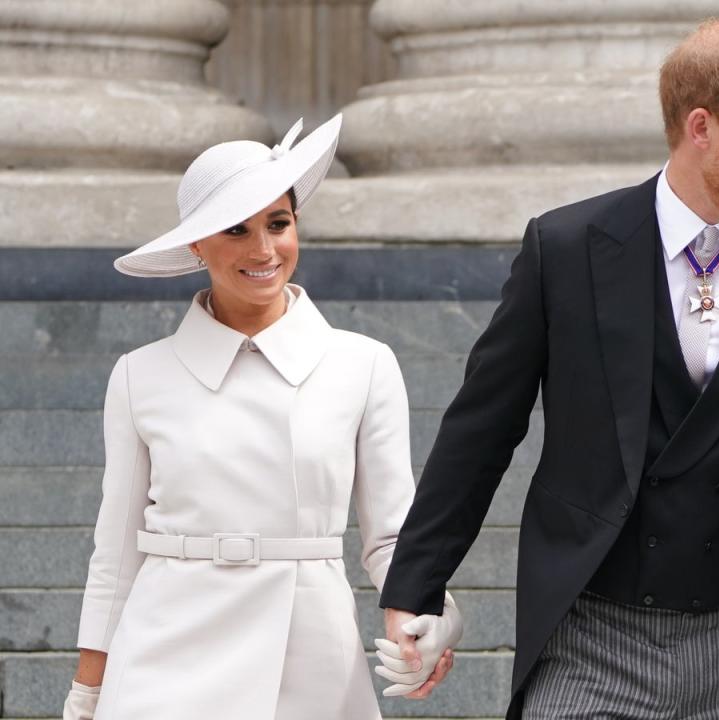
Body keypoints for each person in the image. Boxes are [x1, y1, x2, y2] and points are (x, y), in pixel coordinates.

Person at [376, 14, 719, 720]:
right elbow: (480, 431)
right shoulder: (567, 249)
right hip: (587, 638)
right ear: (701, 128)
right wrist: (412, 590)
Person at [61, 115, 461, 720]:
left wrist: (430, 613)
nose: (264, 250)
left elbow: (391, 539)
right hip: (163, 650)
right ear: (196, 244)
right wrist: (88, 691)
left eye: (279, 223)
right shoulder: (139, 375)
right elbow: (115, 552)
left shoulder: (364, 365)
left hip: (308, 653)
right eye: (236, 229)